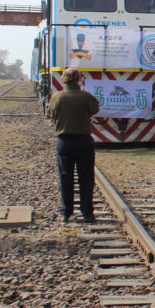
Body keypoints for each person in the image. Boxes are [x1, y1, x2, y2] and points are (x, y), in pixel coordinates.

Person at [46, 67, 100, 224]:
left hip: (64, 142)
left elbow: (51, 114)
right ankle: (87, 213)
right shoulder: (86, 97)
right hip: (83, 141)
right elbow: (94, 110)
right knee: (86, 178)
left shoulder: (57, 97)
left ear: (64, 78)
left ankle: (66, 212)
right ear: (79, 79)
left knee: (65, 177)